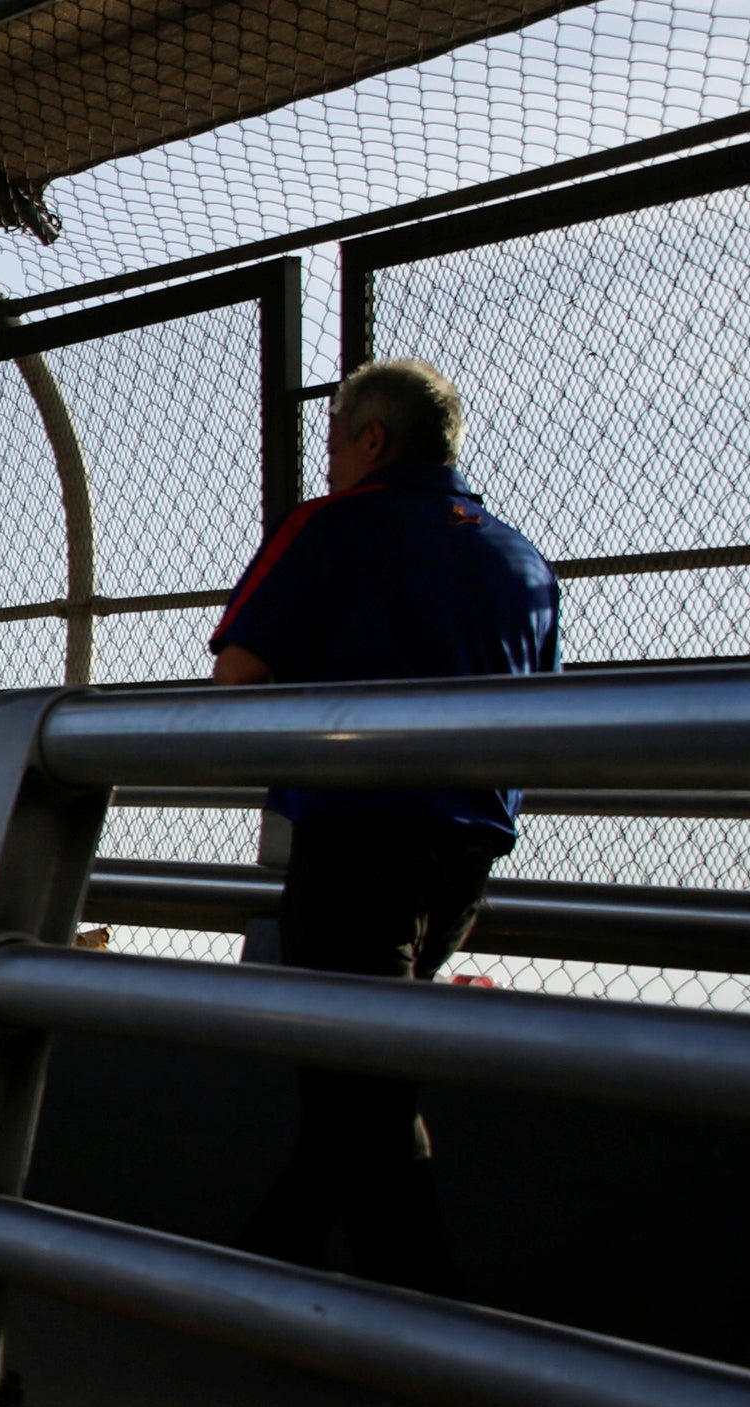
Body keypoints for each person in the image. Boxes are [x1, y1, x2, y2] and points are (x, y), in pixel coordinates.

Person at [211, 359, 559, 1296]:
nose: (327, 463)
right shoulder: (519, 557)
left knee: (358, 1085)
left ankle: (428, 1311)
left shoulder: (333, 527)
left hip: (355, 836)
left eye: (332, 441)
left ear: (373, 440)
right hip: (466, 853)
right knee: (355, 1077)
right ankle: (256, 1277)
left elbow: (237, 679)